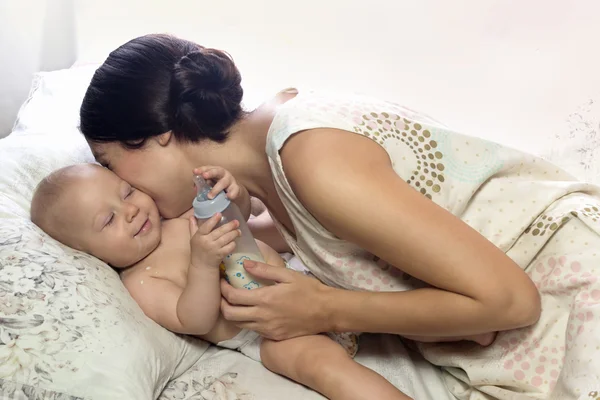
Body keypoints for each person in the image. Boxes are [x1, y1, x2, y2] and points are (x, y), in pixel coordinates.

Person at [79, 33, 600, 399]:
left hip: (569, 281)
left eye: (111, 165)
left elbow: (510, 301)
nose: (125, 190)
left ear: (155, 137)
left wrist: (326, 308)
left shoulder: (315, 163)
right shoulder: (265, 157)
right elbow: (321, 236)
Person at [30, 163, 412, 400]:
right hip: (268, 335)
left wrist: (235, 194)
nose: (130, 210)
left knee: (391, 290)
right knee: (327, 370)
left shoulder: (178, 218)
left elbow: (242, 220)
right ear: (89, 253)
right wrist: (201, 264)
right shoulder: (142, 281)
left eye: (126, 192)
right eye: (108, 220)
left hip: (309, 287)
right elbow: (192, 320)